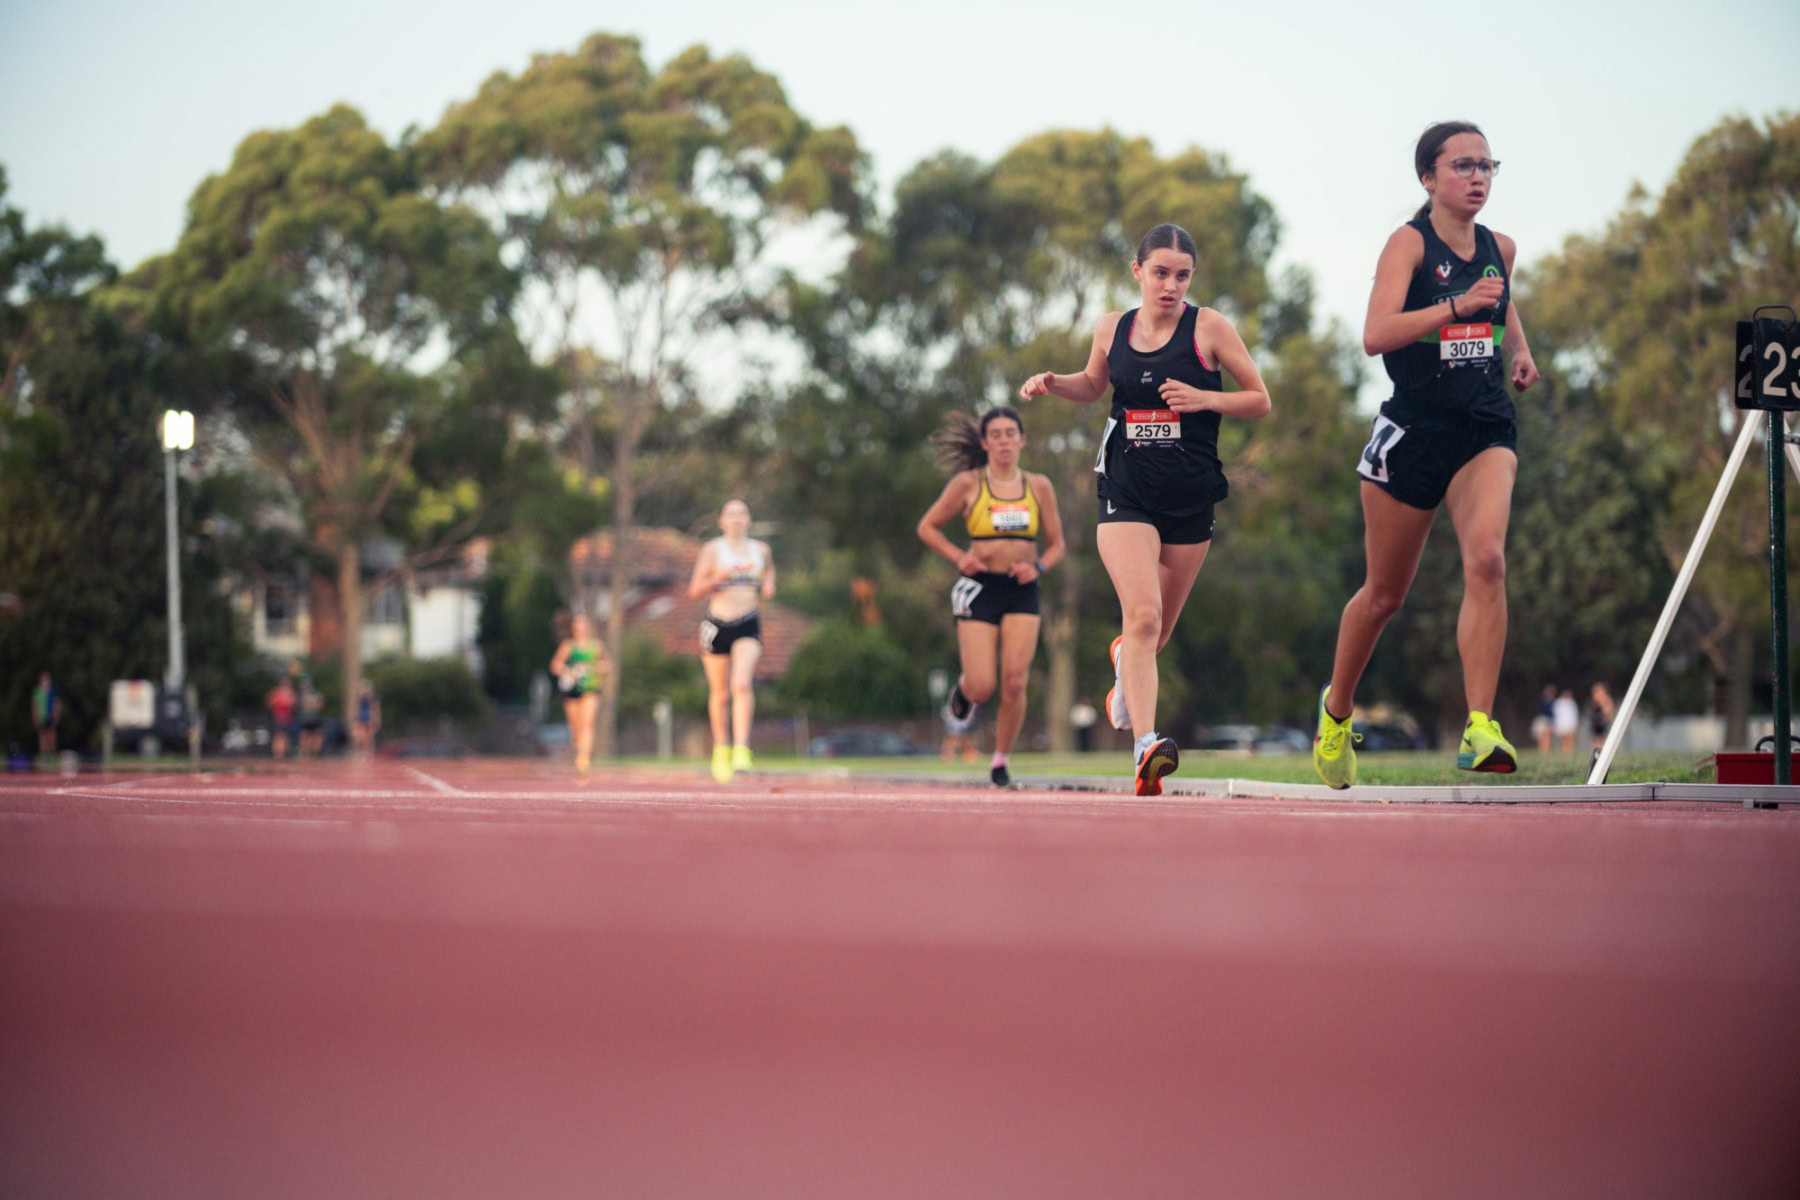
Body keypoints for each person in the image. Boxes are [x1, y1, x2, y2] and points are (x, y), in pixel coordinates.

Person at [1312, 120, 1539, 789]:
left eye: (1487, 165)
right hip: (1413, 431)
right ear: (1428, 178)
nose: (1477, 177)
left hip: (1482, 427)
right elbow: (1375, 335)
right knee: (1383, 596)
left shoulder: (1501, 247)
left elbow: (1503, 304)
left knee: (1489, 559)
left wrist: (1519, 350)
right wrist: (1455, 306)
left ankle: (1479, 727)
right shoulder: (1408, 244)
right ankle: (1335, 714)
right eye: (1463, 165)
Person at [1020, 223, 1271, 795]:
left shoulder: (1209, 327)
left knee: (1154, 633)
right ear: (1137, 271)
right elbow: (1093, 384)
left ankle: (1121, 670)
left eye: (1182, 276)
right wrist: (1056, 382)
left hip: (1191, 495)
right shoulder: (1112, 327)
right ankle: (1146, 747)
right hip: (1127, 488)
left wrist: (1205, 397)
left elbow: (1260, 398)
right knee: (1144, 617)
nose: (1171, 285)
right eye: (1160, 273)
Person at [916, 408, 1066, 789]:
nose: (1003, 440)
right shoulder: (969, 484)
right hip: (980, 587)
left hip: (1021, 590)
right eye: (995, 434)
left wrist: (1039, 569)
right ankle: (964, 692)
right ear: (985, 443)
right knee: (983, 685)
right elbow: (928, 527)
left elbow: (1057, 545)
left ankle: (1000, 760)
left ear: (1022, 439)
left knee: (1015, 681)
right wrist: (959, 557)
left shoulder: (1039, 486)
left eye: (1010, 433)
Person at [688, 499, 775, 783]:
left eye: (742, 514)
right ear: (722, 520)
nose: (736, 519)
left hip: (747, 622)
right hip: (716, 625)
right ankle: (721, 748)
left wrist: (769, 584)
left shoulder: (761, 550)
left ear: (749, 519)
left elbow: (769, 574)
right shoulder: (713, 550)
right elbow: (694, 590)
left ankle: (742, 750)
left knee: (741, 683)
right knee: (720, 692)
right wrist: (716, 581)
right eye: (731, 515)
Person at [550, 613, 607, 775]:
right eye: (577, 625)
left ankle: (583, 757)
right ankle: (578, 746)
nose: (580, 628)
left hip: (590, 688)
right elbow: (555, 665)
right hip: (572, 690)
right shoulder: (568, 646)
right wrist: (568, 670)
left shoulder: (596, 646)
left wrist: (596, 668)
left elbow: (606, 664)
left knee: (587, 723)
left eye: (583, 624)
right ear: (574, 628)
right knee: (575, 727)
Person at [266, 673, 297, 759]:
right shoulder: (277, 691)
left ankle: (284, 753)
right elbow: (269, 702)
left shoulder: (291, 692)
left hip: (288, 717)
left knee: (286, 736)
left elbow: (294, 704)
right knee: (279, 735)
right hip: (278, 716)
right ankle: (278, 754)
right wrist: (279, 702)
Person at [31, 672, 60, 757]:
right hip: (41, 716)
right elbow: (35, 705)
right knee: (42, 734)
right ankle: (44, 753)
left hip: (50, 715)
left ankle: (52, 752)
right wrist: (35, 716)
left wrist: (56, 714)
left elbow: (56, 703)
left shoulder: (52, 691)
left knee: (51, 733)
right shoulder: (37, 691)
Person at [297, 673, 325, 758]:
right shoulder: (302, 692)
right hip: (305, 718)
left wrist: (312, 705)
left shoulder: (316, 692)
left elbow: (320, 704)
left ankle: (314, 753)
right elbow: (302, 704)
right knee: (305, 735)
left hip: (314, 717)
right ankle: (305, 754)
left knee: (316, 735)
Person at [352, 679, 382, 757]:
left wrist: (377, 720)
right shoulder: (358, 697)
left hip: (369, 717)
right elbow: (356, 708)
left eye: (366, 687)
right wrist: (355, 718)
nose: (365, 689)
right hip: (361, 717)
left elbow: (376, 709)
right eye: (363, 688)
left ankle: (370, 752)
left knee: (369, 736)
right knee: (359, 736)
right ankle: (359, 751)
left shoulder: (373, 697)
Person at [1589, 681, 1616, 751]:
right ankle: (1594, 751)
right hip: (1596, 721)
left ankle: (1602, 751)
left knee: (1602, 738)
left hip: (1603, 721)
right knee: (1595, 739)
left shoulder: (1606, 698)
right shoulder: (1594, 699)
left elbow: (1609, 710)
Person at [1531, 683, 1557, 754]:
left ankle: (1546, 750)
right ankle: (1542, 750)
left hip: (1549, 720)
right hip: (1543, 720)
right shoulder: (1543, 701)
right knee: (1542, 736)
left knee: (1547, 736)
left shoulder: (1553, 702)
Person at [1552, 688, 1579, 754]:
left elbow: (1574, 714)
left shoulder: (1572, 702)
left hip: (1569, 724)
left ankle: (1570, 751)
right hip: (1561, 724)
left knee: (1570, 739)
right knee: (1563, 739)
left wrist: (1574, 724)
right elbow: (1556, 714)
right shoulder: (1558, 702)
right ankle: (1564, 751)